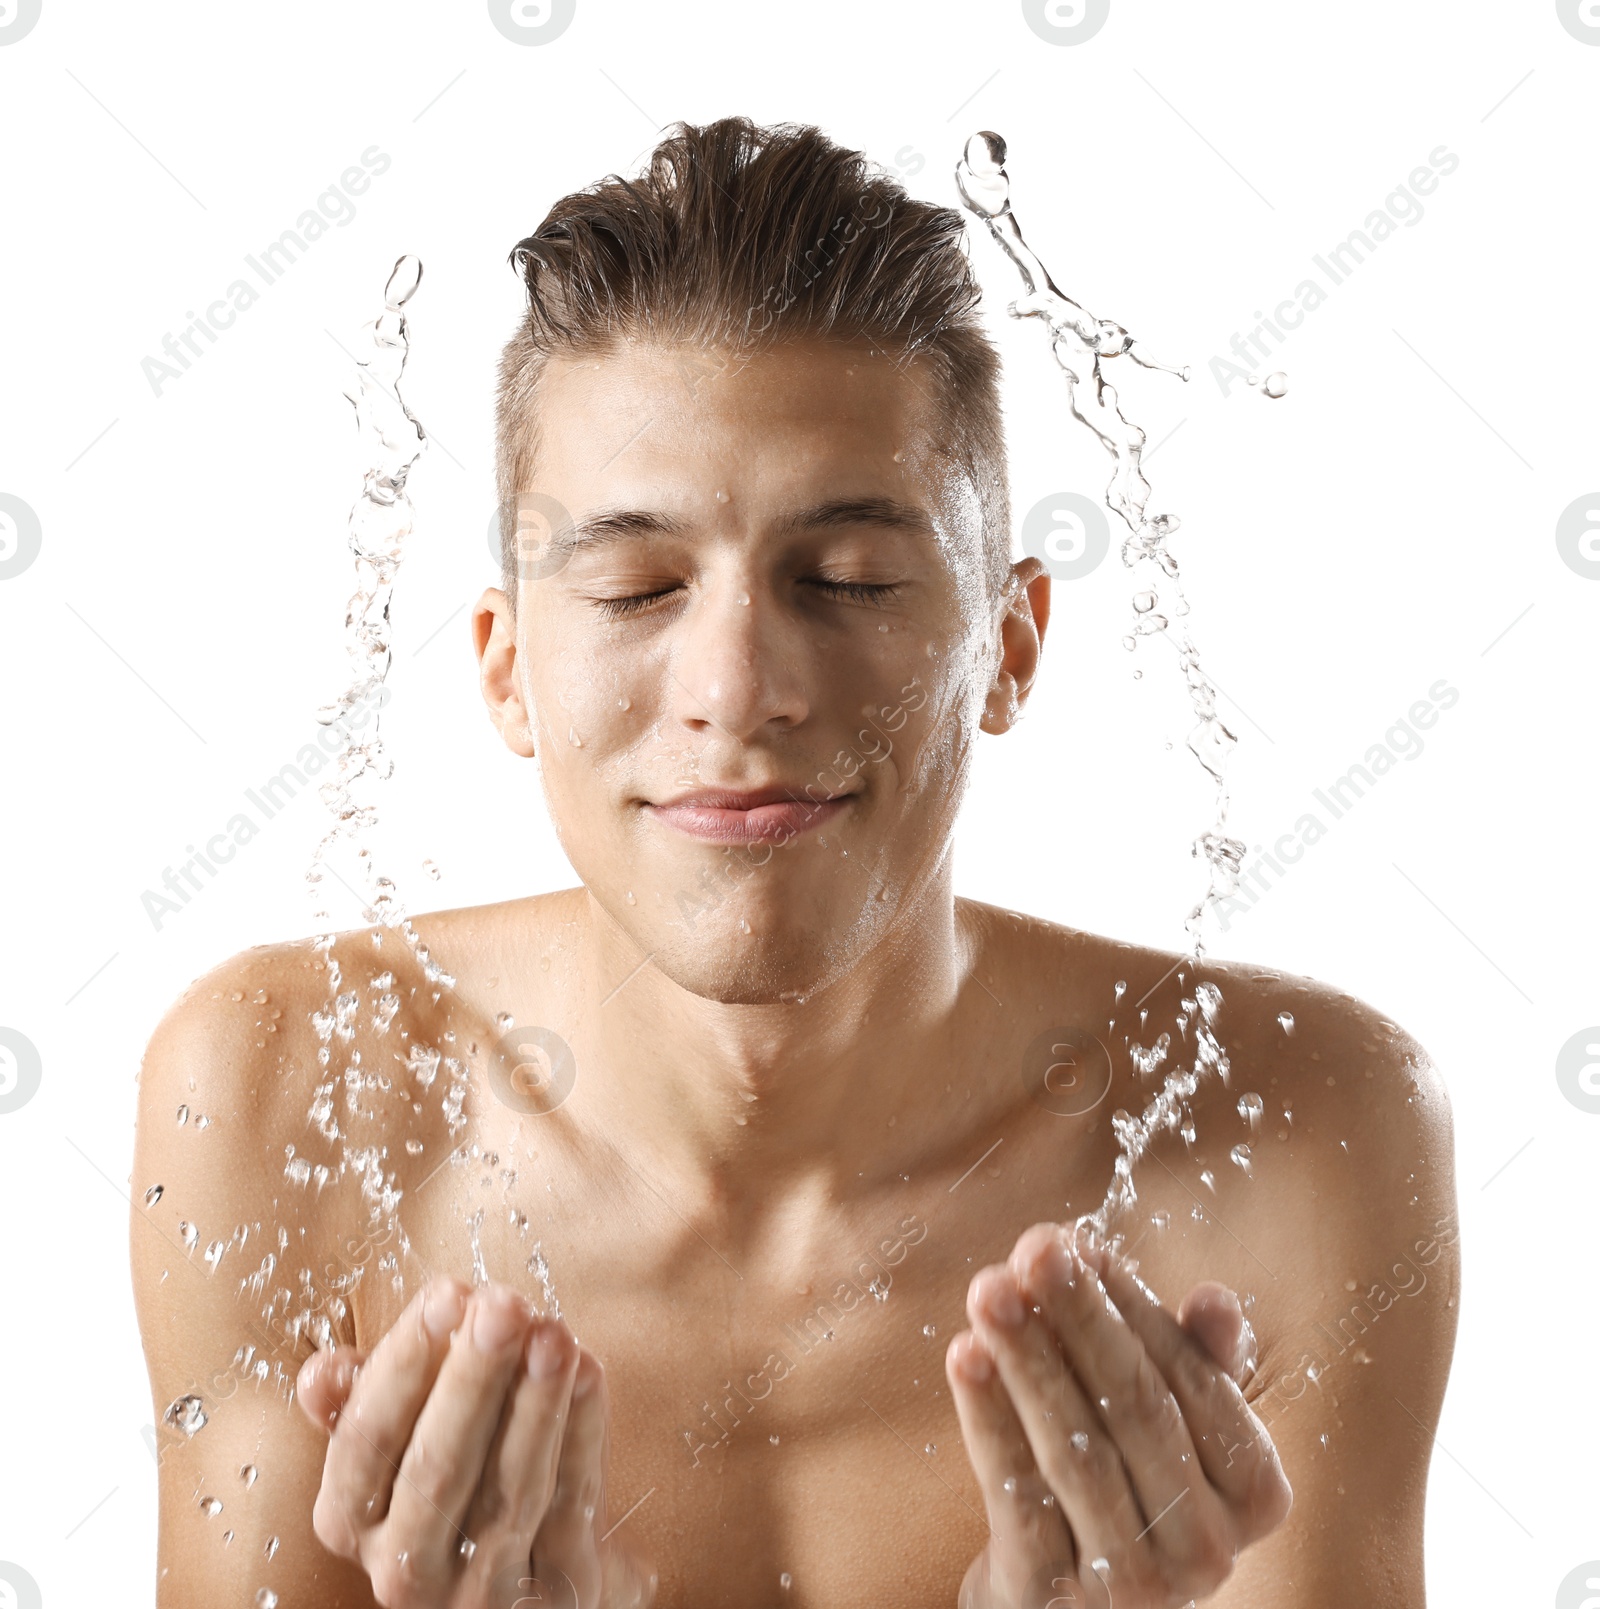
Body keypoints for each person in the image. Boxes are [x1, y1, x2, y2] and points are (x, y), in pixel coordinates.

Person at [130, 116, 1459, 1609]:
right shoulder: (297, 1094)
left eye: (848, 580)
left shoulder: (1279, 1137)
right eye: (636, 587)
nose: (739, 683)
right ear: (505, 669)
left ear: (1007, 647)